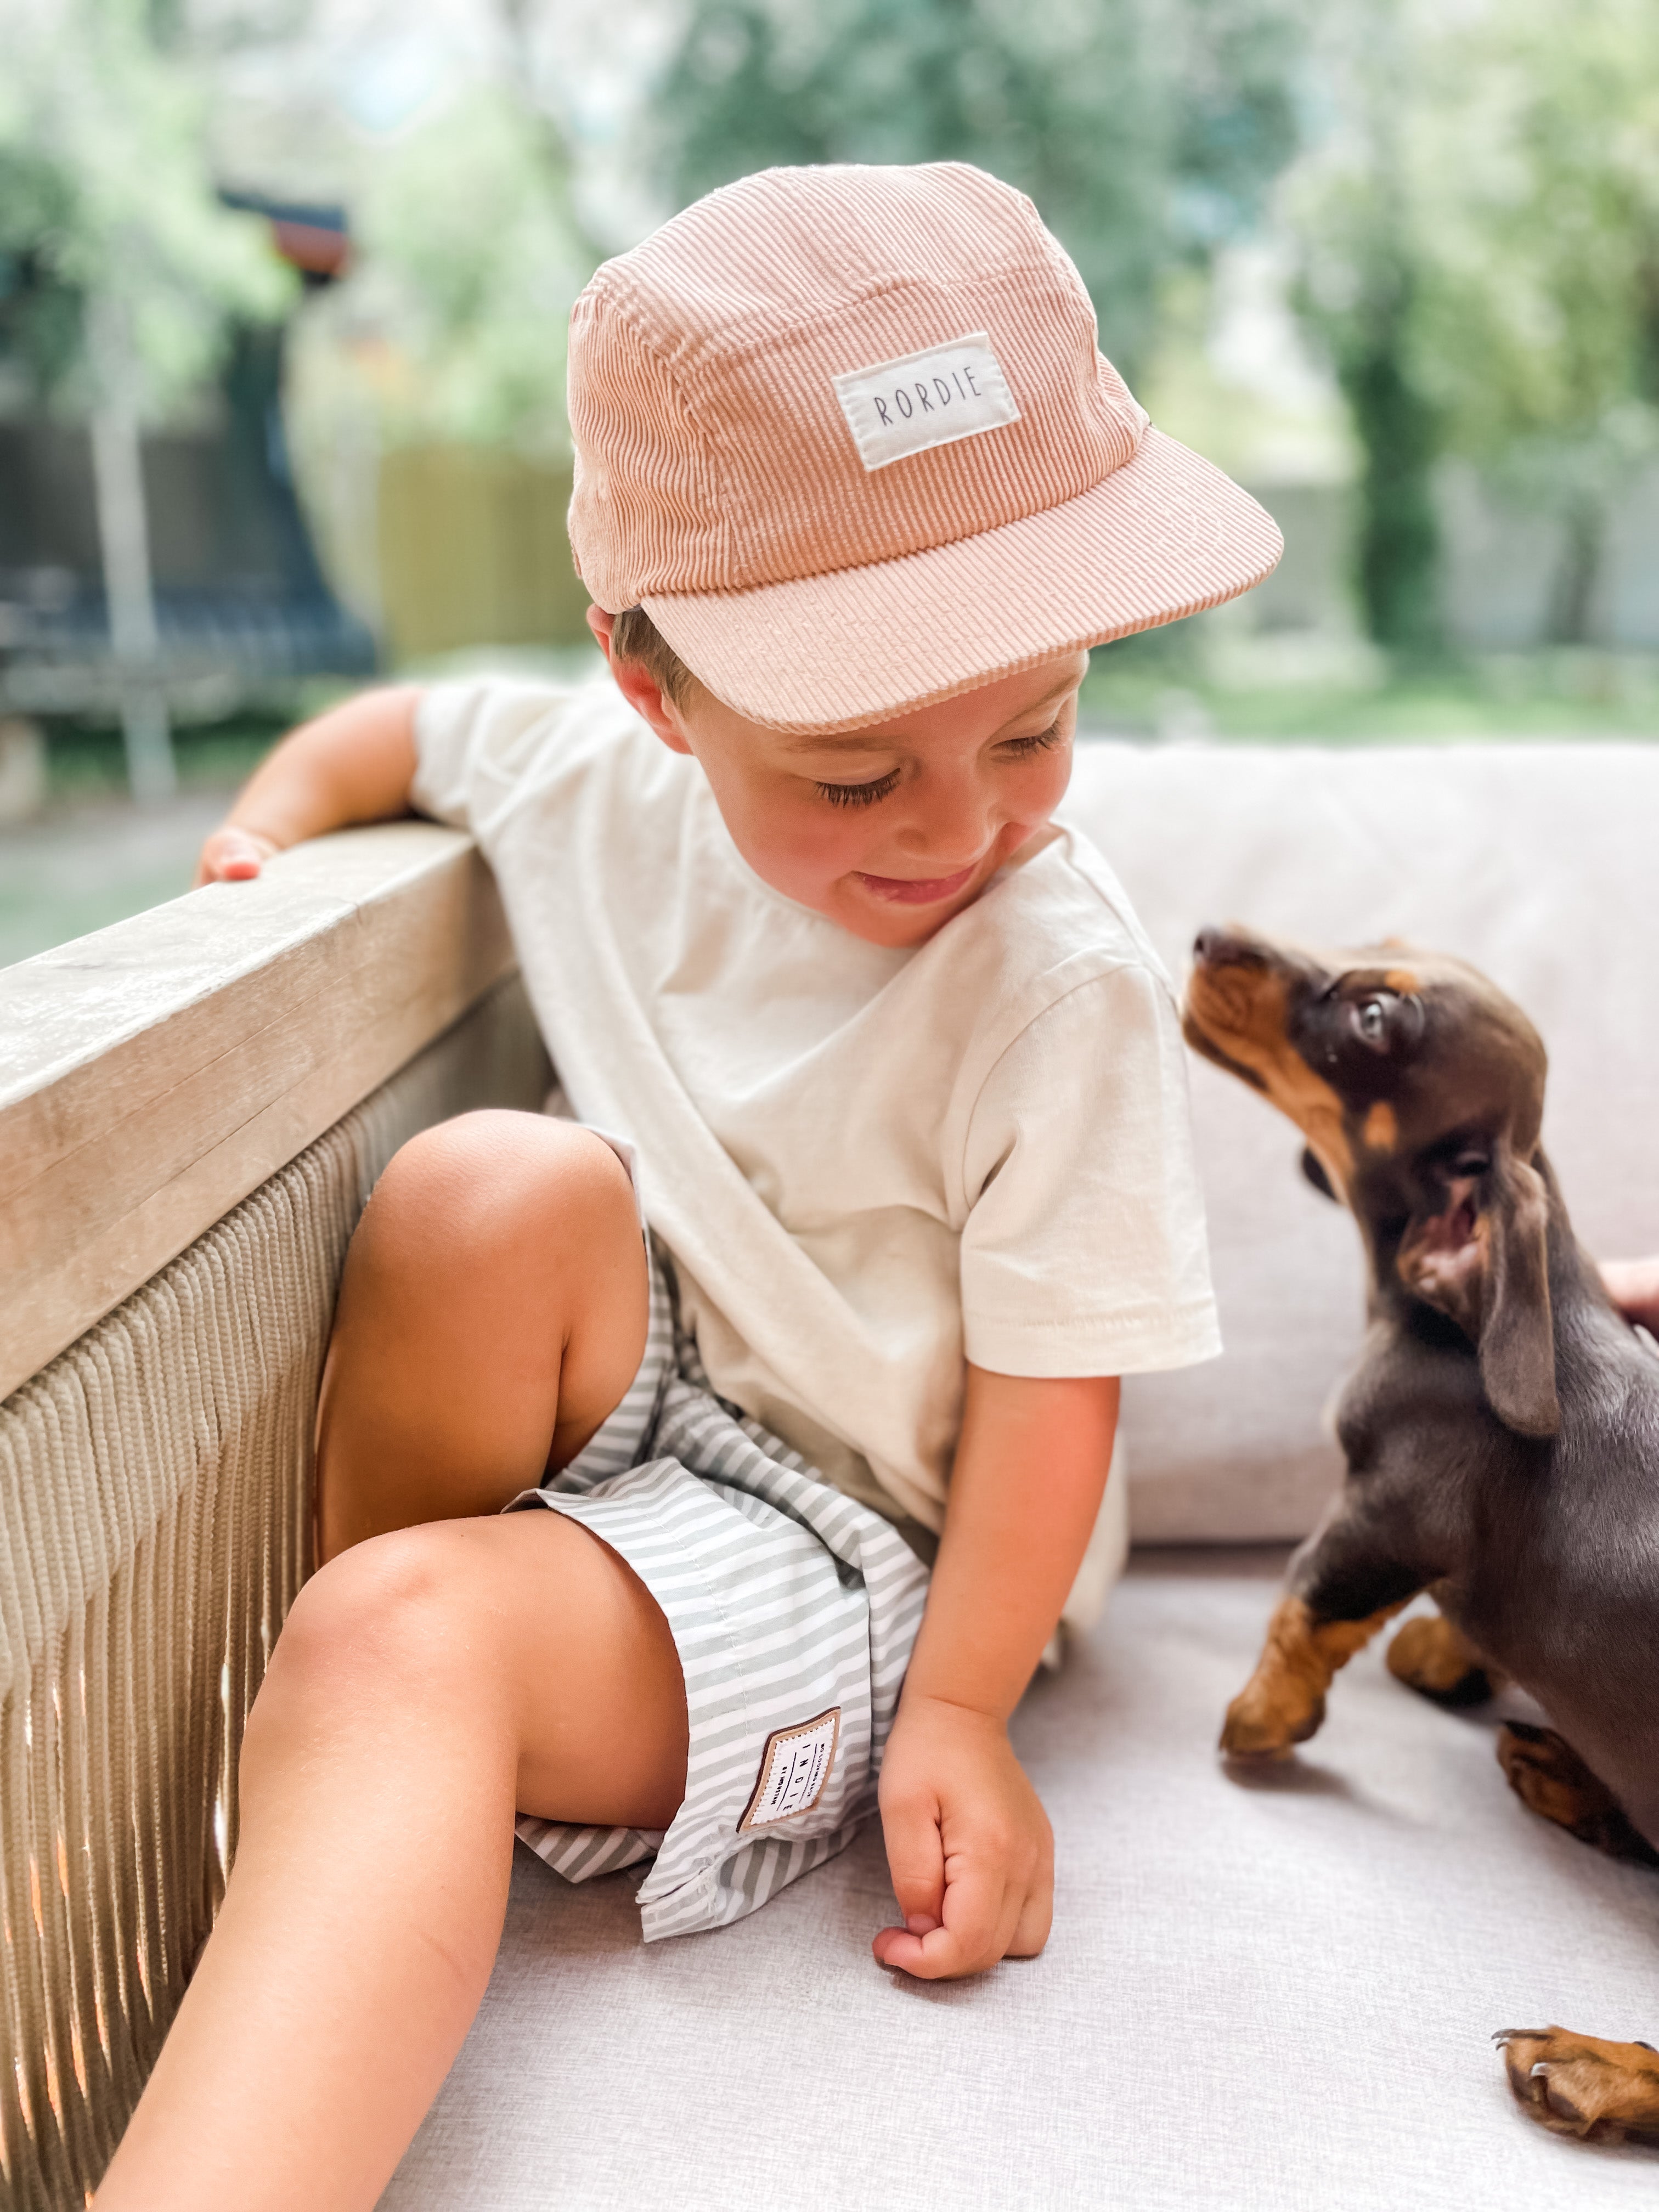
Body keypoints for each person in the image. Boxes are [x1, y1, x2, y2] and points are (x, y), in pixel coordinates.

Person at [94, 163, 1282, 2210]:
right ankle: (392, 1739)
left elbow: (1052, 1393)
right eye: (852, 775)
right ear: (657, 694)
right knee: (483, 1186)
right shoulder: (585, 770)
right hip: (642, 1379)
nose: (962, 823)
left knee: (406, 1632)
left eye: (1036, 726)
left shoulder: (1053, 976)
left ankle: (414, 1693)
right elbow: (387, 732)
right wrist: (258, 849)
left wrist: (968, 1714)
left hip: (874, 1530)